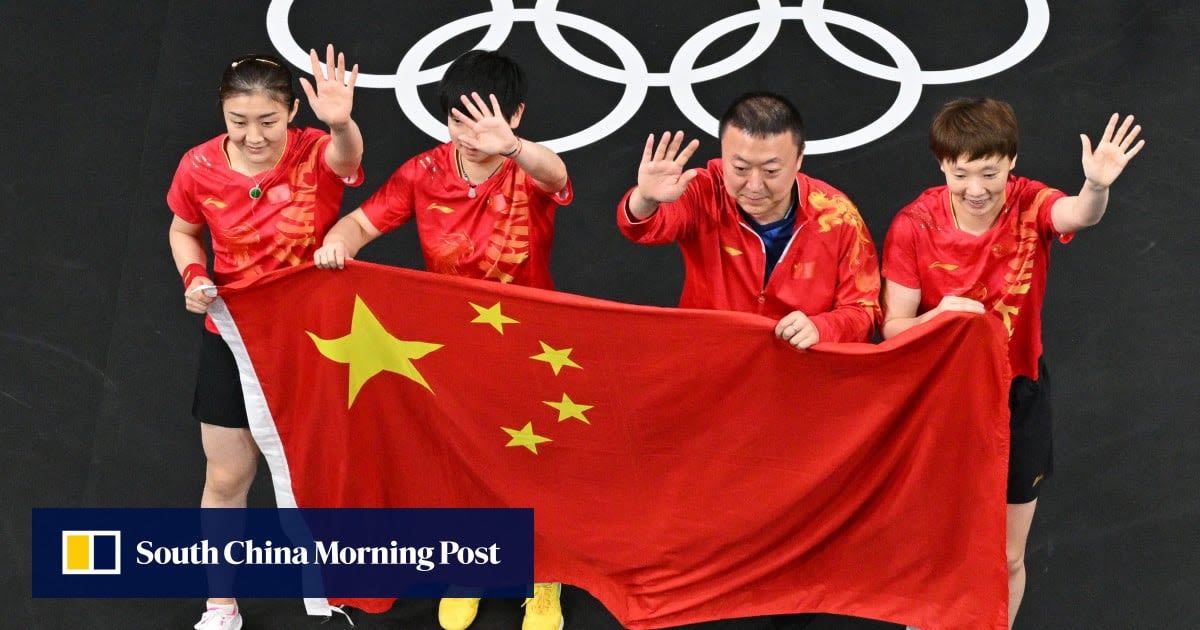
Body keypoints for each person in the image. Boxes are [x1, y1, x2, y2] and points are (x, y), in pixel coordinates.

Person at [312, 49, 572, 630]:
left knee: (533, 461)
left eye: (486, 122)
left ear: (517, 116)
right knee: (462, 457)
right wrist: (339, 243)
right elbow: (359, 222)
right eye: (459, 121)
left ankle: (543, 578)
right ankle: (472, 567)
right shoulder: (422, 173)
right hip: (454, 346)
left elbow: (556, 175)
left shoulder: (526, 167)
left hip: (533, 345)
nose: (471, 135)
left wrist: (510, 146)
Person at [880, 97, 1144, 629]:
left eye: (990, 173)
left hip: (1017, 395)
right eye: (961, 174)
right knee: (937, 546)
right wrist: (941, 317)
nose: (976, 189)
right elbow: (892, 329)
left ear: (1012, 162)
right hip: (940, 402)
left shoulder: (1029, 205)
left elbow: (1076, 214)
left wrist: (1096, 186)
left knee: (1008, 555)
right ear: (942, 166)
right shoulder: (912, 226)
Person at [167, 45, 363, 630]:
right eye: (239, 121)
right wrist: (194, 274)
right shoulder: (197, 166)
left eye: (269, 121)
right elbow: (183, 231)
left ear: (291, 113)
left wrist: (340, 121)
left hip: (315, 338)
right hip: (233, 336)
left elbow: (348, 158)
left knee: (319, 468)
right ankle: (220, 606)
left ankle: (329, 586)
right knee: (226, 476)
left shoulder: (314, 151)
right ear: (222, 115)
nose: (254, 136)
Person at [616, 91, 881, 349]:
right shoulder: (703, 191)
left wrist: (821, 328)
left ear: (799, 158)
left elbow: (864, 312)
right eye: (740, 168)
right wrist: (647, 199)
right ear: (723, 153)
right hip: (709, 357)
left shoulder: (838, 217)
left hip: (799, 367)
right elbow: (642, 228)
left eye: (770, 171)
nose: (754, 186)